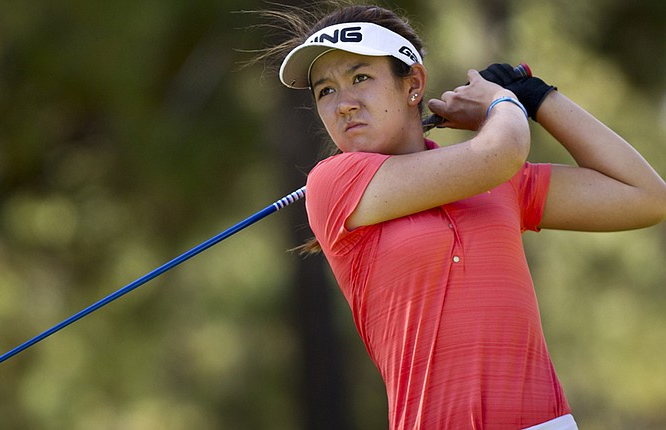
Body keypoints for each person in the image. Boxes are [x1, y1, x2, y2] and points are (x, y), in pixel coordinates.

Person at [254, 2, 666, 429]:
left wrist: (540, 97)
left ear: (413, 84)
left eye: (360, 78)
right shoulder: (334, 183)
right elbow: (501, 151)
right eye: (326, 91)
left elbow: (645, 195)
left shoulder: (496, 179)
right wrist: (502, 103)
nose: (343, 105)